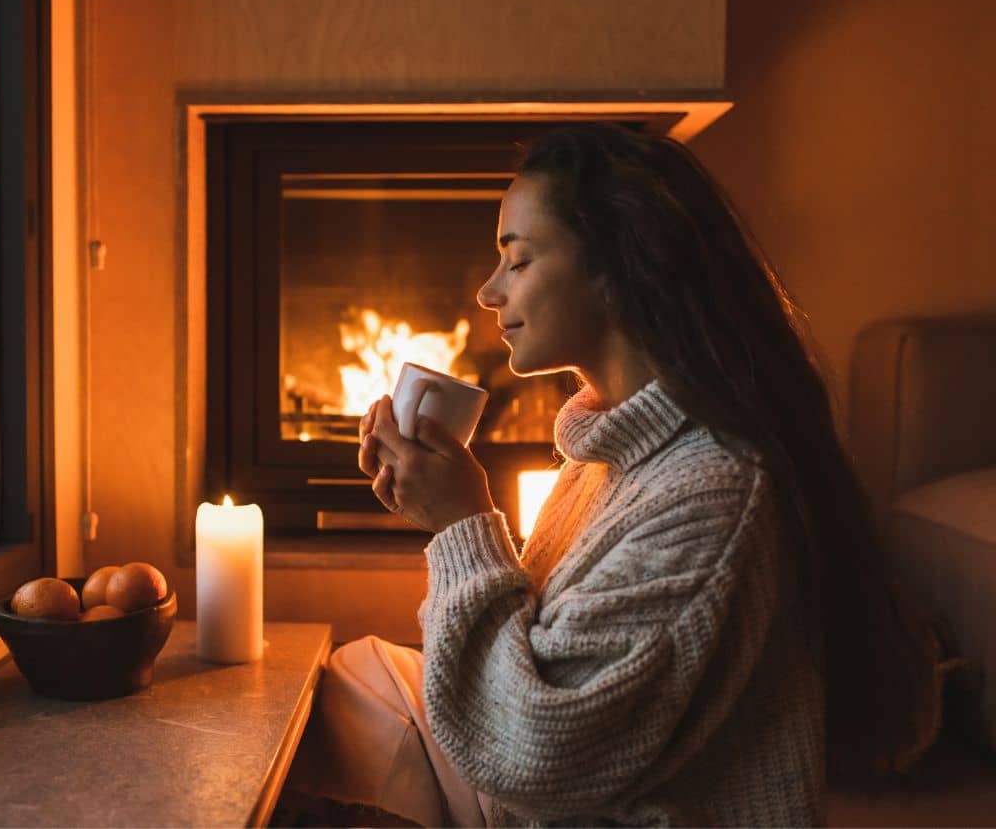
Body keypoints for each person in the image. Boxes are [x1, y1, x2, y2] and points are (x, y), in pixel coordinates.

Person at [283, 122, 941, 827]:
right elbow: (541, 651)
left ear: (616, 269)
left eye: (519, 260)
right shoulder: (613, 454)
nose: (487, 292)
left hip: (591, 797)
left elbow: (539, 750)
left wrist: (463, 525)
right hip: (558, 781)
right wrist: (450, 519)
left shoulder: (717, 490)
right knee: (349, 682)